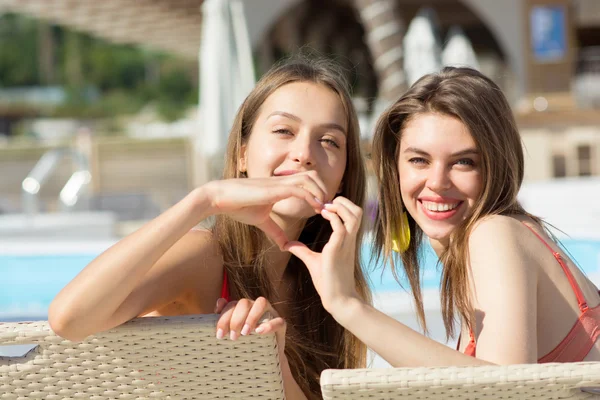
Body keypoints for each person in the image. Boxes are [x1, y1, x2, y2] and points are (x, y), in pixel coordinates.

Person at [48, 55, 371, 399]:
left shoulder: (329, 287)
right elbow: (69, 320)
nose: (304, 153)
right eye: (283, 131)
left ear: (342, 177)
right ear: (242, 156)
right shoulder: (205, 256)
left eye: (329, 141)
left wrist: (268, 362)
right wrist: (204, 200)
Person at [287, 66, 600, 366]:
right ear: (396, 167)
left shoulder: (494, 233)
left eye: (463, 162)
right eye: (419, 160)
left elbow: (505, 389)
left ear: (497, 166)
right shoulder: (496, 239)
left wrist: (348, 305)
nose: (437, 182)